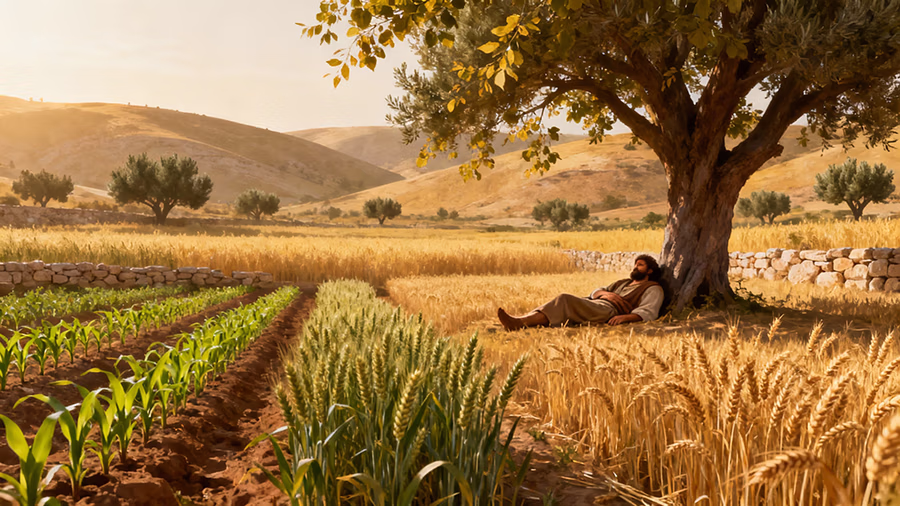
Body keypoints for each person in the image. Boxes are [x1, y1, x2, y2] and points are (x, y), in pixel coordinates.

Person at [497, 255, 665, 330]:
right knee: (562, 302)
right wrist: (605, 294)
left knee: (564, 299)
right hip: (598, 303)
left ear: (649, 270)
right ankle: (522, 320)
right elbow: (596, 291)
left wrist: (625, 317)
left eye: (640, 265)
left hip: (608, 310)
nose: (636, 267)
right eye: (635, 264)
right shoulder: (623, 283)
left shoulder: (652, 288)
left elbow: (649, 311)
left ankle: (521, 322)